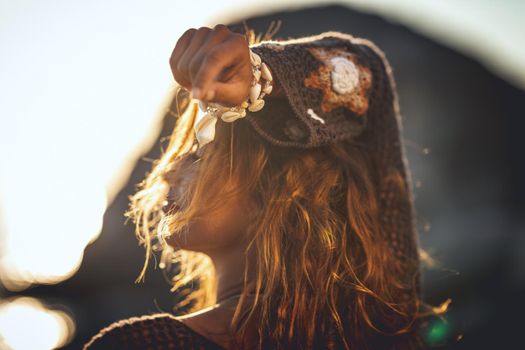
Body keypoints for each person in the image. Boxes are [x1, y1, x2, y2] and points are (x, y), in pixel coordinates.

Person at [84, 23, 431, 349]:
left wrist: (259, 75)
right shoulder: (387, 328)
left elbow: (375, 83)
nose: (166, 174)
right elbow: (375, 85)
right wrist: (261, 75)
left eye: (199, 154)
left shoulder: (146, 344)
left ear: (276, 193)